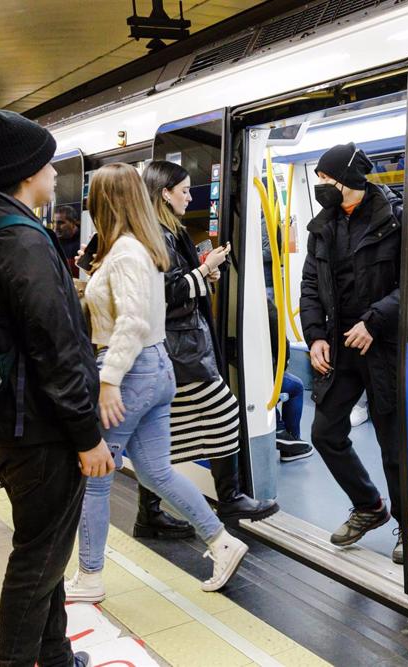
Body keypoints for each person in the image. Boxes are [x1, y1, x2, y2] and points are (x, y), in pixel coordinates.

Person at [0, 108, 111, 667]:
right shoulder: (24, 240)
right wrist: (87, 435)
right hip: (36, 428)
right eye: (49, 167)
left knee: (43, 551)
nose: (54, 177)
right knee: (38, 559)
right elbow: (57, 346)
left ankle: (55, 655)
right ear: (29, 173)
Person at [64, 163, 249, 602]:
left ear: (105, 202)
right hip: (155, 367)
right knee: (155, 471)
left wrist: (109, 381)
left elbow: (131, 321)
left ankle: (89, 577)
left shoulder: (126, 251)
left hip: (130, 371)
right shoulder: (138, 247)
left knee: (94, 476)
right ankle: (222, 543)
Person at [133, 160, 278, 539]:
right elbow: (165, 293)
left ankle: (149, 514)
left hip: (183, 346)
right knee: (225, 413)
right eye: (184, 190)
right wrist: (203, 271)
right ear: (165, 193)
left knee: (161, 434)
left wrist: (201, 274)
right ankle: (229, 498)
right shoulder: (156, 237)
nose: (189, 197)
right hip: (180, 349)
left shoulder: (167, 232)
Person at [300, 143, 405, 564]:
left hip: (383, 346)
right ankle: (369, 506)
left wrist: (373, 321)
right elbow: (310, 286)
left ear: (348, 180)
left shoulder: (394, 221)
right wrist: (314, 337)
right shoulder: (322, 227)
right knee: (325, 433)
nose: (320, 185)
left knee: (393, 447)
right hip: (340, 348)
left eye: (325, 179)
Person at [267, 297, 312, 461]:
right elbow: (282, 347)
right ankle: (288, 440)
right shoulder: (266, 309)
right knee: (296, 387)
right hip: (261, 379)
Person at [54, 205, 82, 277]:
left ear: (73, 223)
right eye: (55, 222)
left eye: (61, 223)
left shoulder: (83, 242)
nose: (56, 227)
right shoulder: (54, 242)